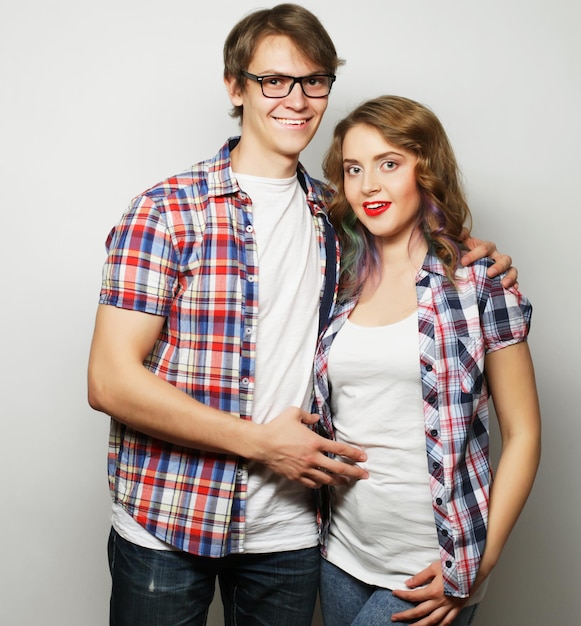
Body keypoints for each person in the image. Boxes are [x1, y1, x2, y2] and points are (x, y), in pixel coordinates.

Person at [87, 4, 515, 625]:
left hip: (291, 533)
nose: (297, 98)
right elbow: (109, 380)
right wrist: (260, 444)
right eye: (273, 80)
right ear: (236, 88)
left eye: (314, 81)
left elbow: (418, 248)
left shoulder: (342, 216)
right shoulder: (166, 212)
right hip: (170, 514)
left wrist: (477, 254)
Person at [314, 94, 541, 626]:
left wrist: (475, 566)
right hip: (343, 552)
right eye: (354, 168)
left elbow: (525, 433)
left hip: (432, 564)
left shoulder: (479, 281)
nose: (368, 185)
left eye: (389, 164)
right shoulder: (338, 281)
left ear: (426, 170)